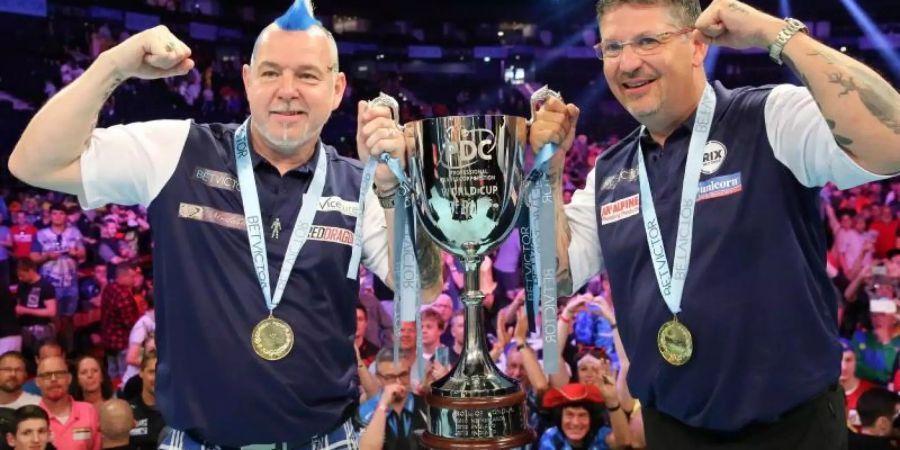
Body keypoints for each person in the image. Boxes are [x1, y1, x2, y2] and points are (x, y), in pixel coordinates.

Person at [8, 1, 441, 447]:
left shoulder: (359, 183)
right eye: (271, 73)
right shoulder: (177, 150)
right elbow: (33, 163)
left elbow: (421, 288)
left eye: (308, 76)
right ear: (249, 81)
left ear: (337, 89)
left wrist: (395, 190)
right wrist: (113, 65)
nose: (287, 90)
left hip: (323, 440)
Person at [532, 0, 900, 447]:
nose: (628, 63)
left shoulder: (770, 117)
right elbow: (555, 275)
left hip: (792, 430)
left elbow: (892, 142)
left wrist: (775, 34)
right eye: (613, 47)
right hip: (672, 430)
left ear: (696, 44)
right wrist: (548, 171)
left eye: (648, 40)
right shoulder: (610, 171)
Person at [357, 347, 428, 450]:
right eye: (390, 377)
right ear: (378, 377)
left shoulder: (427, 408)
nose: (398, 382)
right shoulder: (365, 412)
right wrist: (382, 406)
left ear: (410, 371)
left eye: (403, 375)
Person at [539, 382, 630, 450]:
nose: (575, 422)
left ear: (591, 419)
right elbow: (540, 385)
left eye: (582, 415)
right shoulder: (552, 436)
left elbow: (623, 441)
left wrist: (612, 401)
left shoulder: (600, 434)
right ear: (560, 417)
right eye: (569, 415)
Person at [36, 356, 101, 450]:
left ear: (69, 378)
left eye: (59, 374)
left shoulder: (88, 411)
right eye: (47, 375)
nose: (53, 379)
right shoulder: (32, 417)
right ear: (37, 381)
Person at [128, 352, 164, 450]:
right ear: (141, 372)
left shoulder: (177, 411)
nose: (157, 378)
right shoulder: (128, 411)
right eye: (152, 372)